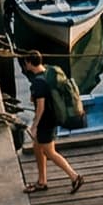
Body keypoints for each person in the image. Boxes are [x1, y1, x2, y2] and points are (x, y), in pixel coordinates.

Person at [21, 50, 83, 194]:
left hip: (46, 121)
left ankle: (75, 176)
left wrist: (34, 125)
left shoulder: (38, 82)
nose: (25, 66)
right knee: (37, 147)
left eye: (26, 64)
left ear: (29, 63)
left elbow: (40, 106)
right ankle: (42, 181)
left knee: (50, 152)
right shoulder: (49, 71)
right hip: (54, 116)